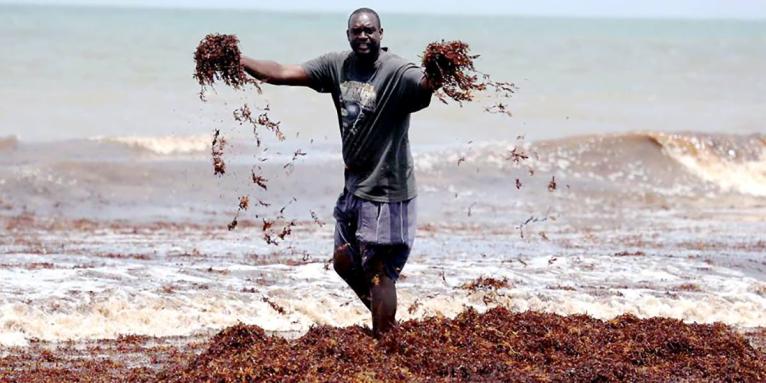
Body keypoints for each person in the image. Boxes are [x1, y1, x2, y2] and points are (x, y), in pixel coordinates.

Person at [240, 7, 440, 338]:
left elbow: (423, 86)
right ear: (348, 35)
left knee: (379, 272)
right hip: (355, 187)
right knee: (343, 261)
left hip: (386, 191)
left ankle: (386, 341)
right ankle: (388, 326)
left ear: (380, 33)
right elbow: (281, 72)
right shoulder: (338, 66)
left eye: (369, 31)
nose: (363, 36)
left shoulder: (396, 71)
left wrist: (439, 73)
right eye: (356, 31)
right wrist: (239, 59)